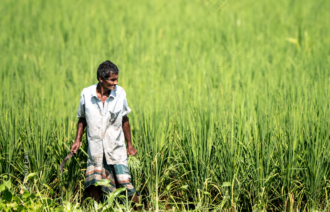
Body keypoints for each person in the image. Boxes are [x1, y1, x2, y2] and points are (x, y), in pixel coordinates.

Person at [70, 60, 140, 209]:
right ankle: (97, 209)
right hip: (95, 149)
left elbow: (124, 118)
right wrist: (77, 140)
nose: (116, 83)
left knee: (125, 183)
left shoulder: (120, 94)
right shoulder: (86, 94)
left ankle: (141, 209)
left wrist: (130, 145)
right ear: (101, 79)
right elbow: (82, 118)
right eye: (112, 80)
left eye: (117, 79)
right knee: (95, 184)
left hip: (116, 147)